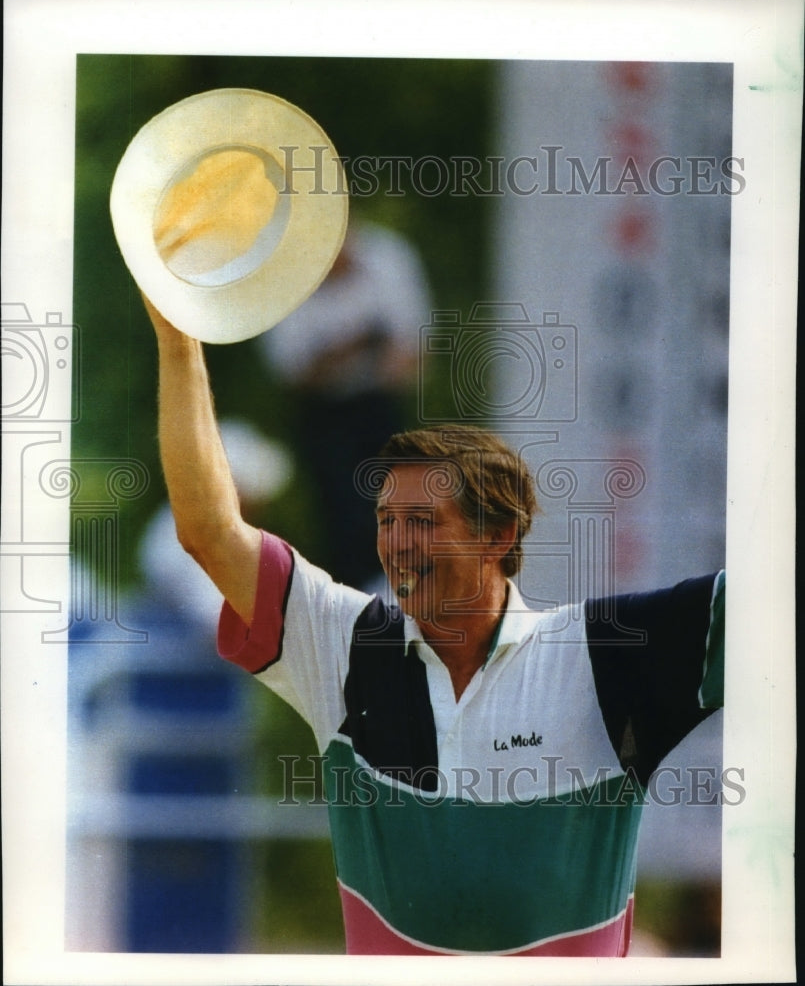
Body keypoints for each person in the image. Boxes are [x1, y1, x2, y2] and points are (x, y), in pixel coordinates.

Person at [143, 294, 725, 957]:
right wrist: (177, 340)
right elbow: (209, 532)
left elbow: (764, 603)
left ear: (497, 536)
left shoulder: (602, 653)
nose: (394, 544)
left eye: (422, 521)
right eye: (386, 521)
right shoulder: (345, 641)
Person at [256, 221, 431, 589]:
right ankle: (358, 611)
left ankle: (399, 600)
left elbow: (412, 353)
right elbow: (294, 371)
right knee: (342, 521)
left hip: (381, 407)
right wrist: (361, 345)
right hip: (324, 416)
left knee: (395, 512)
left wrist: (344, 356)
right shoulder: (286, 273)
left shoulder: (388, 257)